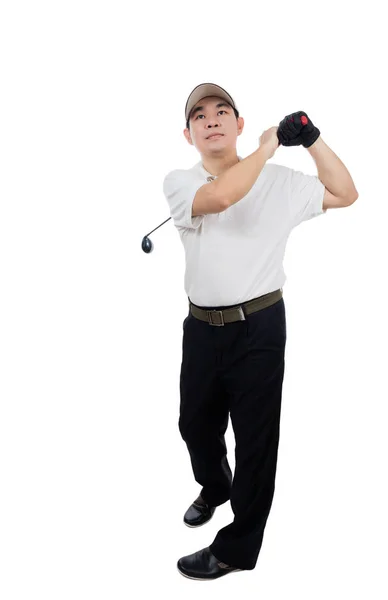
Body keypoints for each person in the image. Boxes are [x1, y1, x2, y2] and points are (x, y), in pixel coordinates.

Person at [162, 83, 358, 581]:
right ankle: (214, 485)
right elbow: (224, 194)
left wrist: (310, 138)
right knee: (194, 425)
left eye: (222, 110)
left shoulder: (278, 181)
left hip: (260, 329)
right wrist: (269, 143)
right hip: (202, 329)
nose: (212, 119)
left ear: (239, 124)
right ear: (189, 134)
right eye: (200, 116)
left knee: (256, 442)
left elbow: (345, 192)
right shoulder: (181, 182)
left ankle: (236, 547)